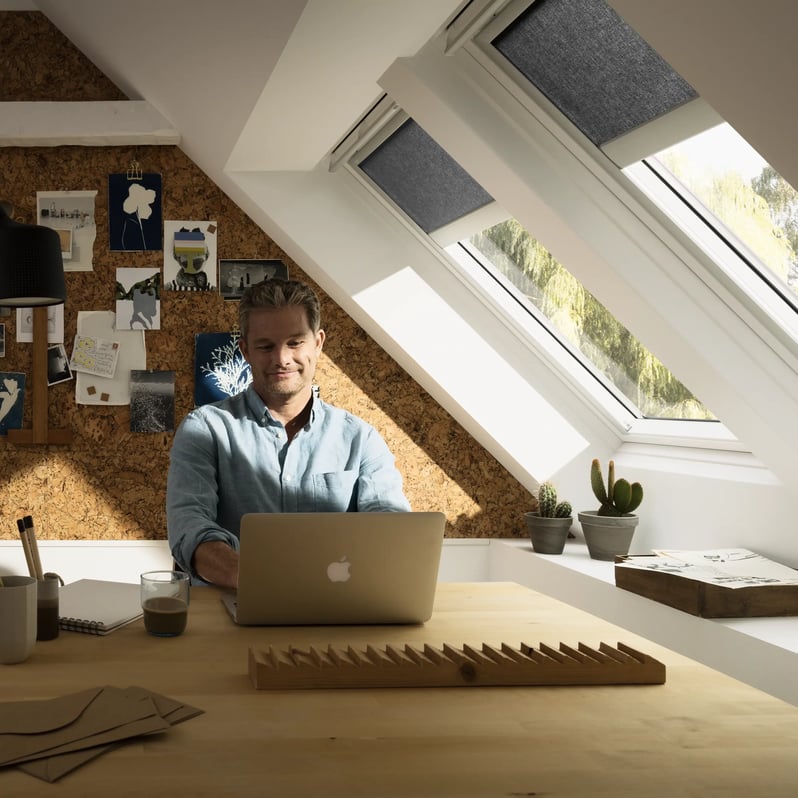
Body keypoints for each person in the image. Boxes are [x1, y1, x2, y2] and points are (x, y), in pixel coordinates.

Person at [166, 278, 410, 588]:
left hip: (338, 609)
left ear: (318, 344)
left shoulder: (360, 440)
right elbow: (190, 526)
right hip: (230, 613)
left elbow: (392, 528)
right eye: (266, 346)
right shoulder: (205, 430)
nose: (281, 358)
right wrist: (259, 580)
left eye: (295, 342)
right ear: (245, 350)